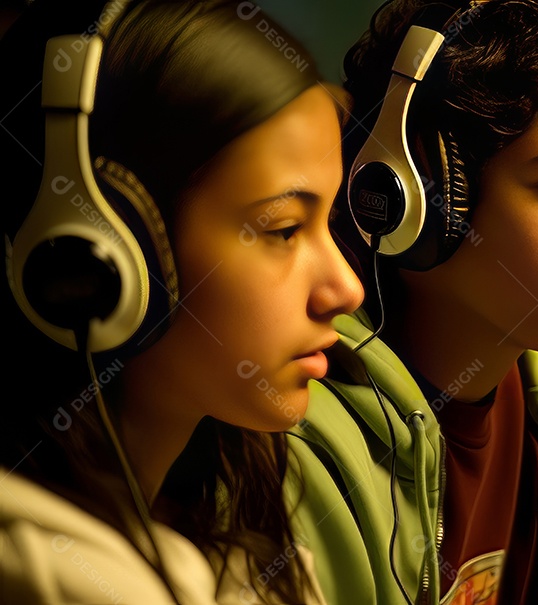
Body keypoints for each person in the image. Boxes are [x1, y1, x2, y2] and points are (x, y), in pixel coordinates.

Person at [0, 1, 363, 602]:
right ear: (102, 251)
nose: (346, 289)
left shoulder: (231, 535)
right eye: (282, 230)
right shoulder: (52, 580)